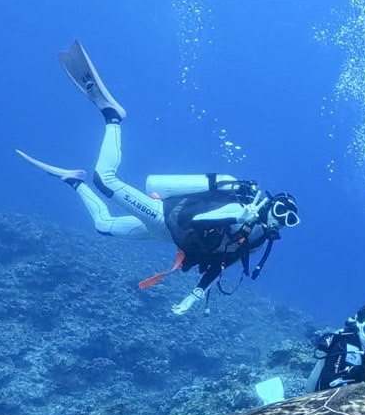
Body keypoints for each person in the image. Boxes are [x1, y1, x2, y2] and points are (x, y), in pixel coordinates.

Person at [17, 41, 299, 315]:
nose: (280, 220)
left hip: (166, 235)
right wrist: (239, 217)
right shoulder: (240, 210)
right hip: (163, 216)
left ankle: (74, 180)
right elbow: (197, 221)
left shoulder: (258, 239)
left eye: (288, 219)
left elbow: (221, 265)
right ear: (269, 203)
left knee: (104, 226)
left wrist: (194, 296)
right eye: (280, 211)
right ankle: (112, 116)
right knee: (104, 179)